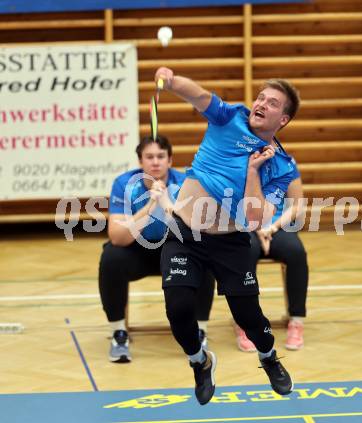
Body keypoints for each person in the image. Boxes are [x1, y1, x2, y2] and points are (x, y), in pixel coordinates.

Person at [155, 67, 301, 405]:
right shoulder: (229, 117)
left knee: (249, 317)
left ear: (283, 119)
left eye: (272, 102)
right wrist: (173, 80)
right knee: (178, 309)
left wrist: (253, 171)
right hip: (183, 232)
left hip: (230, 242)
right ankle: (200, 361)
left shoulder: (280, 166)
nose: (261, 104)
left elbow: (254, 218)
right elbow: (199, 95)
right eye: (261, 97)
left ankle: (269, 357)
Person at [98, 134, 215, 363]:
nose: (155, 162)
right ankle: (119, 333)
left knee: (205, 252)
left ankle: (199, 330)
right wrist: (151, 207)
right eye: (149, 157)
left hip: (176, 250)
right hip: (138, 252)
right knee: (111, 257)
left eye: (161, 156)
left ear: (170, 160)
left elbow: (197, 229)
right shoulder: (124, 184)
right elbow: (118, 237)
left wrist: (168, 204)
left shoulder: (186, 183)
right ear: (140, 162)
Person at [233, 177, 309, 352]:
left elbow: (297, 206)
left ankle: (296, 320)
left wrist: (271, 229)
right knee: (242, 253)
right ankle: (245, 322)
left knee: (296, 253)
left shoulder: (286, 165)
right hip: (246, 228)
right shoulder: (239, 162)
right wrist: (259, 231)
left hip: (279, 227)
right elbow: (231, 205)